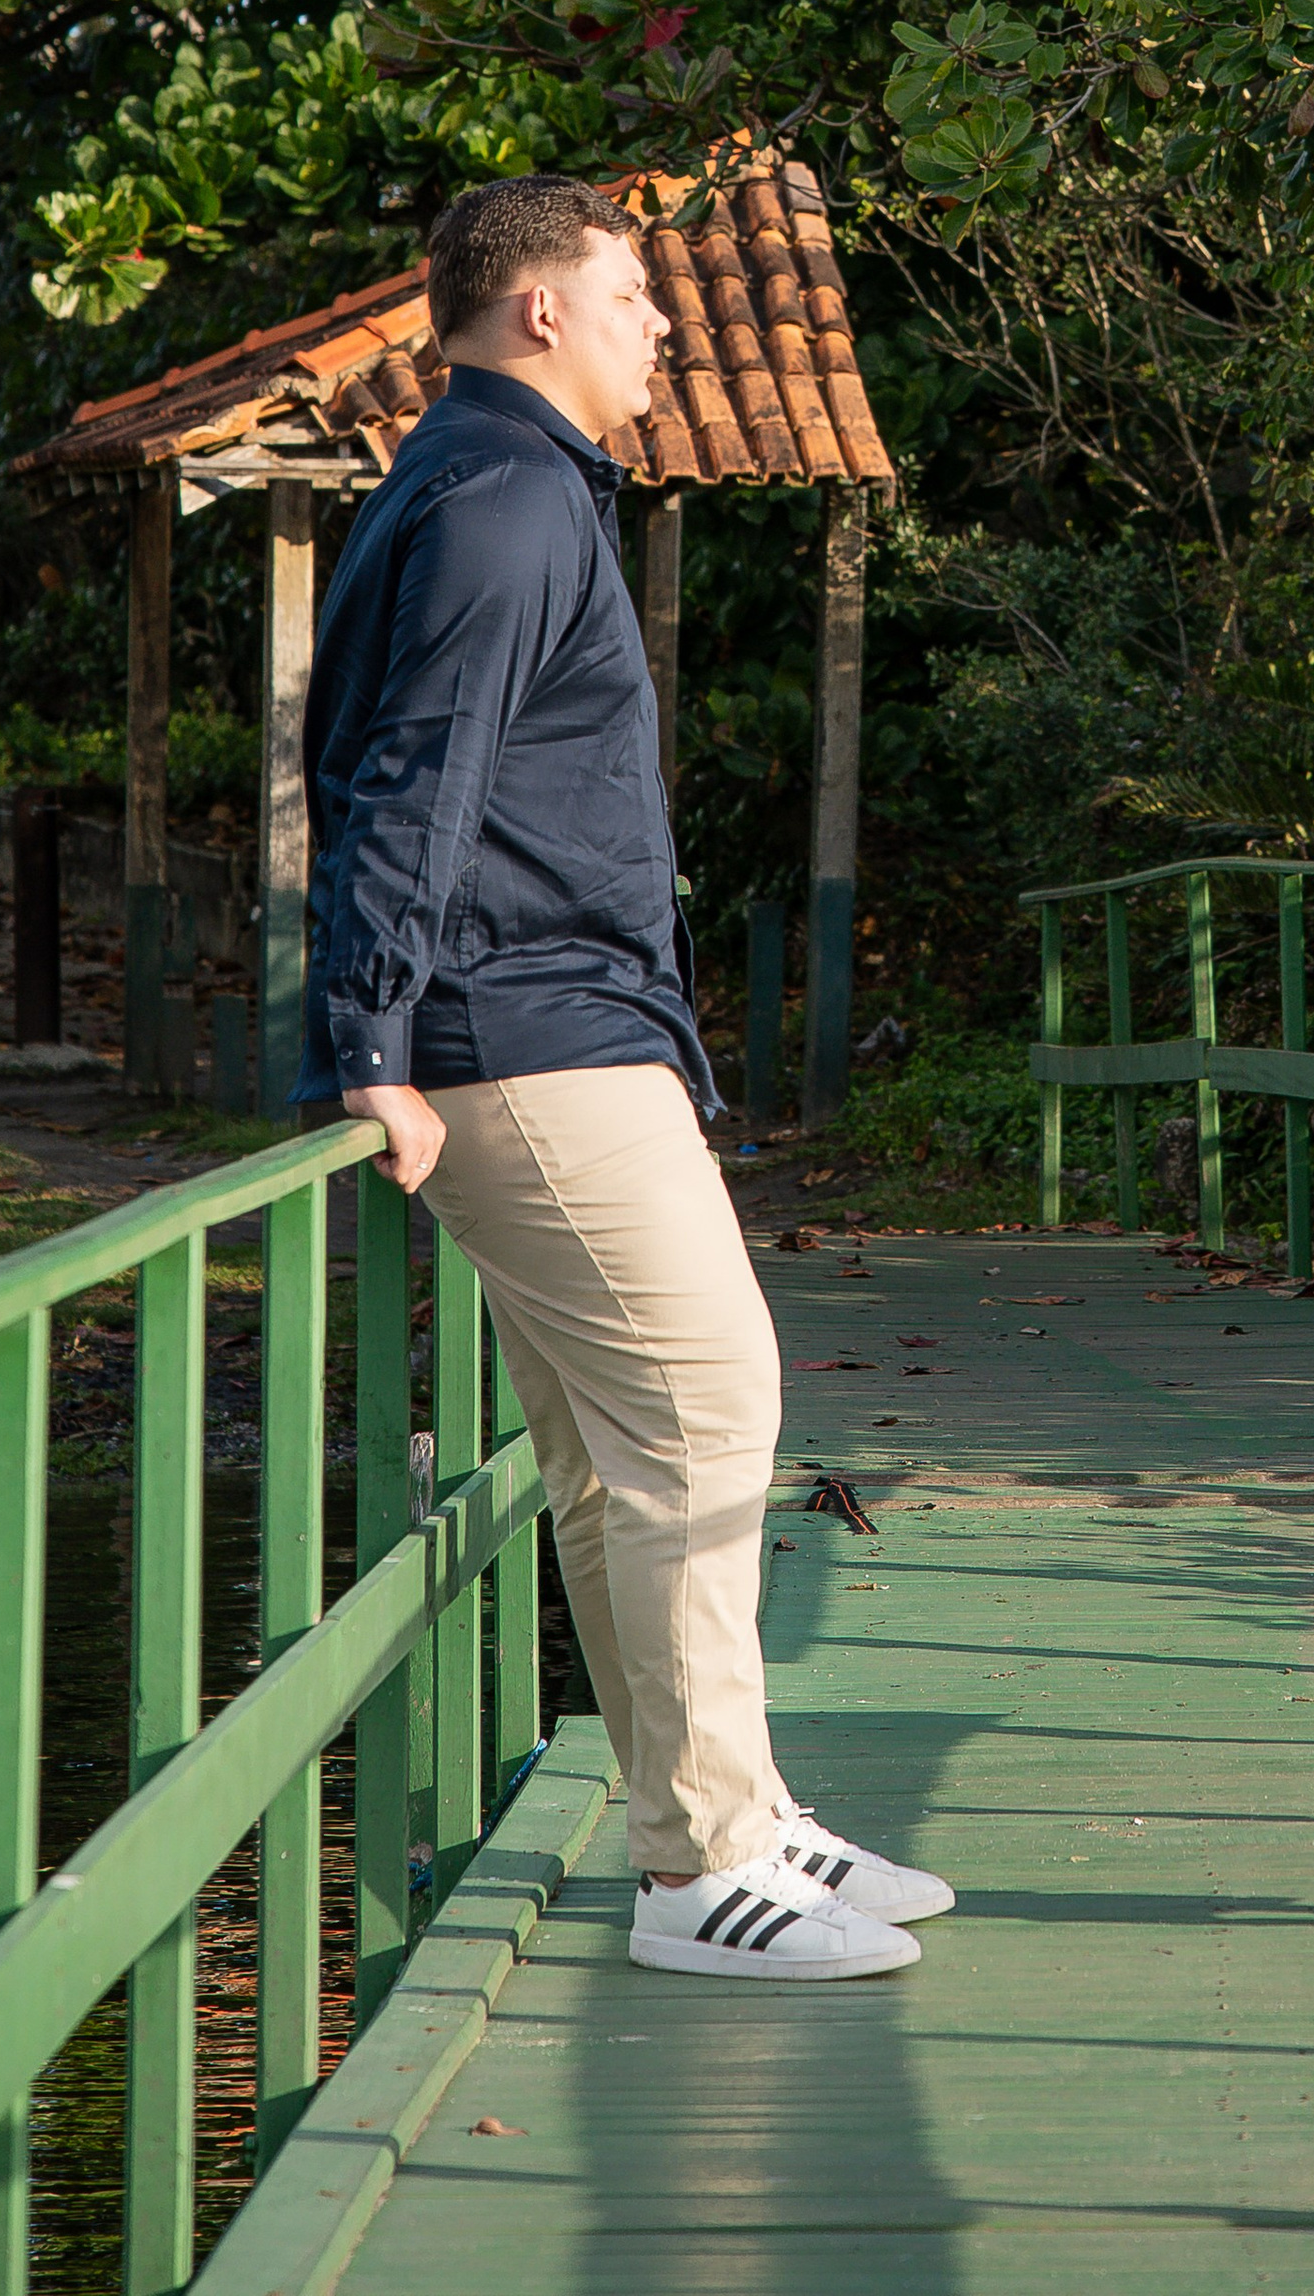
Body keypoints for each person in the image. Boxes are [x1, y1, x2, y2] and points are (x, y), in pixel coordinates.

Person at [298, 170, 954, 1982]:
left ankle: (723, 1804)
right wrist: (368, 1045)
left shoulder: (489, 481)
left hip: (545, 1029)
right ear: (536, 314)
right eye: (630, 295)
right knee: (709, 1402)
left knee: (611, 1453)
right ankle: (701, 1865)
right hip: (524, 1040)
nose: (662, 323)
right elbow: (412, 779)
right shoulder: (505, 497)